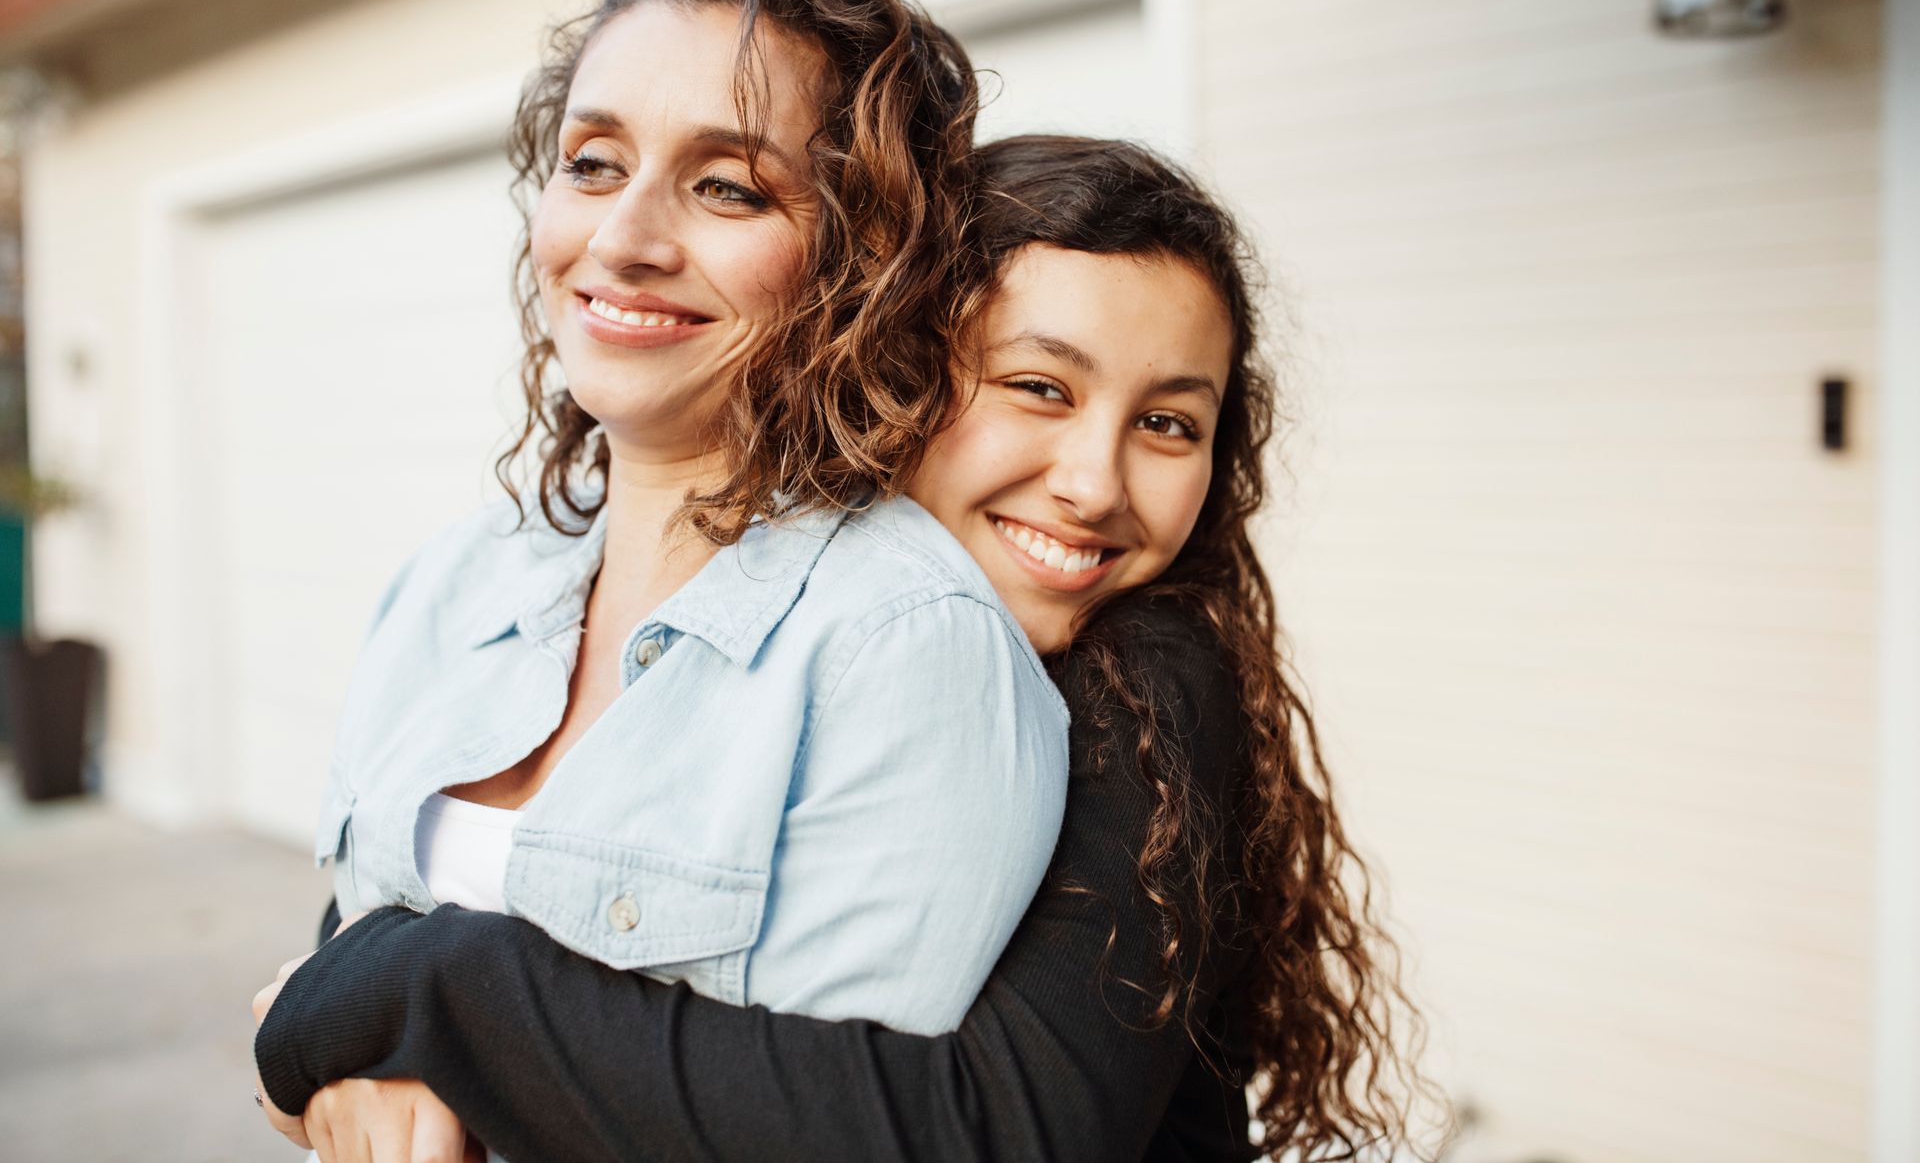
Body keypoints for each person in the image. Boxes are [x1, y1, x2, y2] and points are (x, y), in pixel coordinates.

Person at [255, 137, 1441, 1162]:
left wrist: (418, 995)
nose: (1092, 484)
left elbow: (1005, 1132)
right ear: (895, 369)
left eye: (1169, 423)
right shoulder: (768, 618)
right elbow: (450, 875)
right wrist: (374, 1027)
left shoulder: (1148, 687)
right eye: (1037, 386)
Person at [249, 0, 1086, 1154]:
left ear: (860, 259)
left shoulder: (906, 647)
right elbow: (320, 998)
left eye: (727, 185)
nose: (626, 240)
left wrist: (361, 1043)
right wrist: (317, 1069)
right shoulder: (459, 578)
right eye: (593, 163)